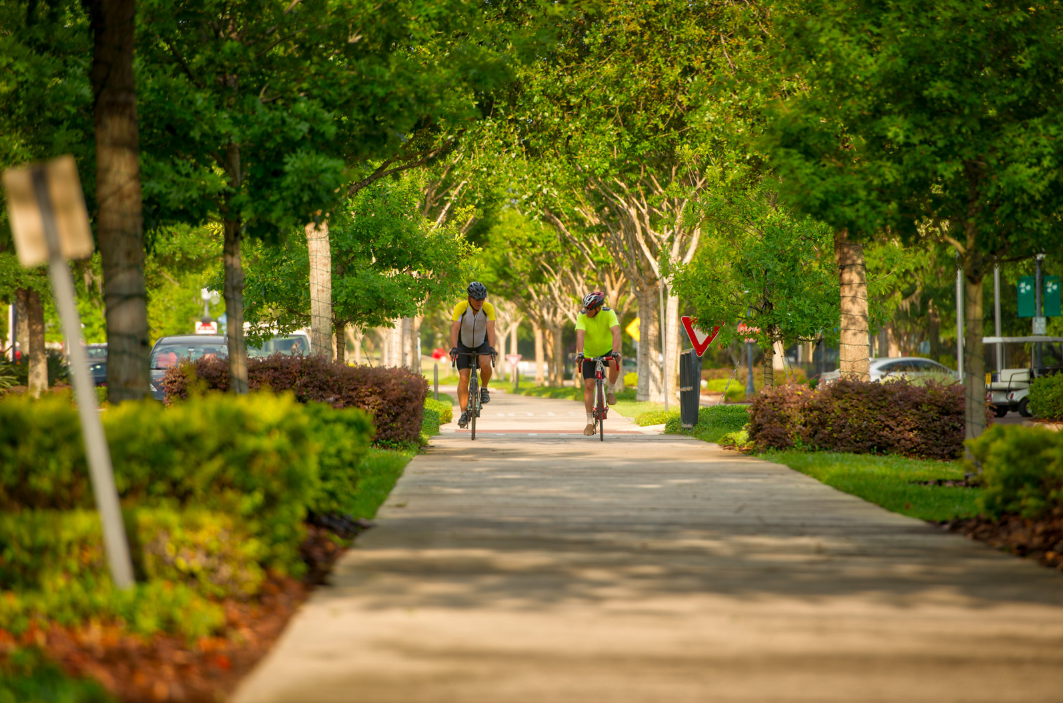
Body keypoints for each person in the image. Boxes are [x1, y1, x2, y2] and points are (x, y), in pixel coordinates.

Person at [449, 282, 497, 428]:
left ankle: (484, 389)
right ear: (469, 298)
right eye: (477, 299)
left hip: (482, 343)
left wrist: (492, 347)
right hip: (463, 344)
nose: (480, 302)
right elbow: (455, 328)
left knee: (485, 364)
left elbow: (491, 328)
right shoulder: (460, 307)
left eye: (482, 299)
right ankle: (463, 413)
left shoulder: (488, 308)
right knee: (464, 377)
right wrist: (454, 347)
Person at [574, 291, 622, 436]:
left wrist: (615, 351)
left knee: (615, 361)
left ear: (598, 309)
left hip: (607, 351)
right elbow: (580, 334)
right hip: (588, 354)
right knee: (589, 385)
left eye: (589, 309)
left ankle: (610, 391)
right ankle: (589, 422)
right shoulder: (582, 315)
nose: (586, 311)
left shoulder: (609, 313)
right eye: (585, 308)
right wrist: (580, 353)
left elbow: (616, 332)